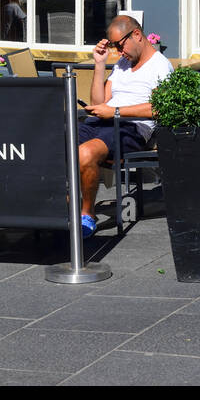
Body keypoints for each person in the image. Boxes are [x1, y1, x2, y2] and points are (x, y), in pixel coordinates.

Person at [76, 15, 173, 237]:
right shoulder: (121, 65)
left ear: (137, 35)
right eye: (115, 48)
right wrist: (99, 65)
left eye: (120, 46)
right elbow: (99, 103)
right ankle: (65, 207)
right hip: (103, 121)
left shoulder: (160, 66)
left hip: (132, 129)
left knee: (85, 152)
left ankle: (86, 214)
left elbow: (159, 109)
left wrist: (116, 112)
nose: (120, 53)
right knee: (57, 142)